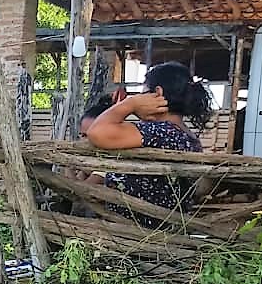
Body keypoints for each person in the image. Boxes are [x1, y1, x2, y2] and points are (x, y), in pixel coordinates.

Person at [84, 62, 212, 222]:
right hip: (158, 229)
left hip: (135, 232)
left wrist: (130, 103)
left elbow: (96, 132)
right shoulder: (186, 136)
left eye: (143, 93)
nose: (140, 98)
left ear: (157, 93)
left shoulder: (160, 132)